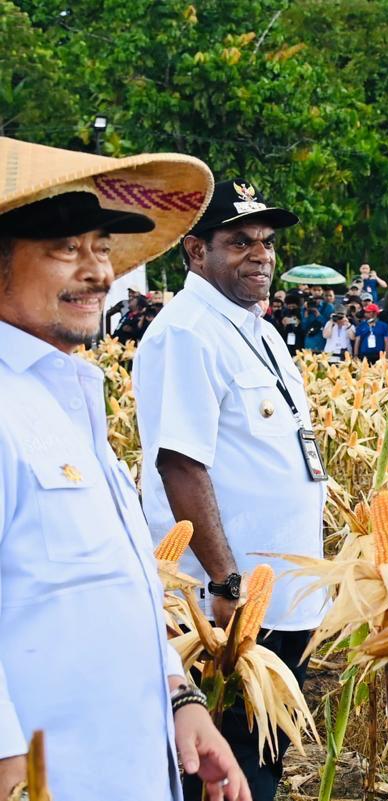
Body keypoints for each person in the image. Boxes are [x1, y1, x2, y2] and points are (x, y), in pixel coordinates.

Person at [0, 137, 249, 801]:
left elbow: (114, 588)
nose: (99, 272)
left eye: (101, 246)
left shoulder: (67, 394)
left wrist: (179, 698)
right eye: (65, 249)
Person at [132, 179, 328, 801]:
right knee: (222, 763)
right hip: (226, 606)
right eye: (239, 241)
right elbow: (181, 463)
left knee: (260, 757)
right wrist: (224, 581)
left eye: (267, 242)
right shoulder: (187, 331)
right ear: (195, 252)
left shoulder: (256, 328)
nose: (261, 255)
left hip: (278, 594)